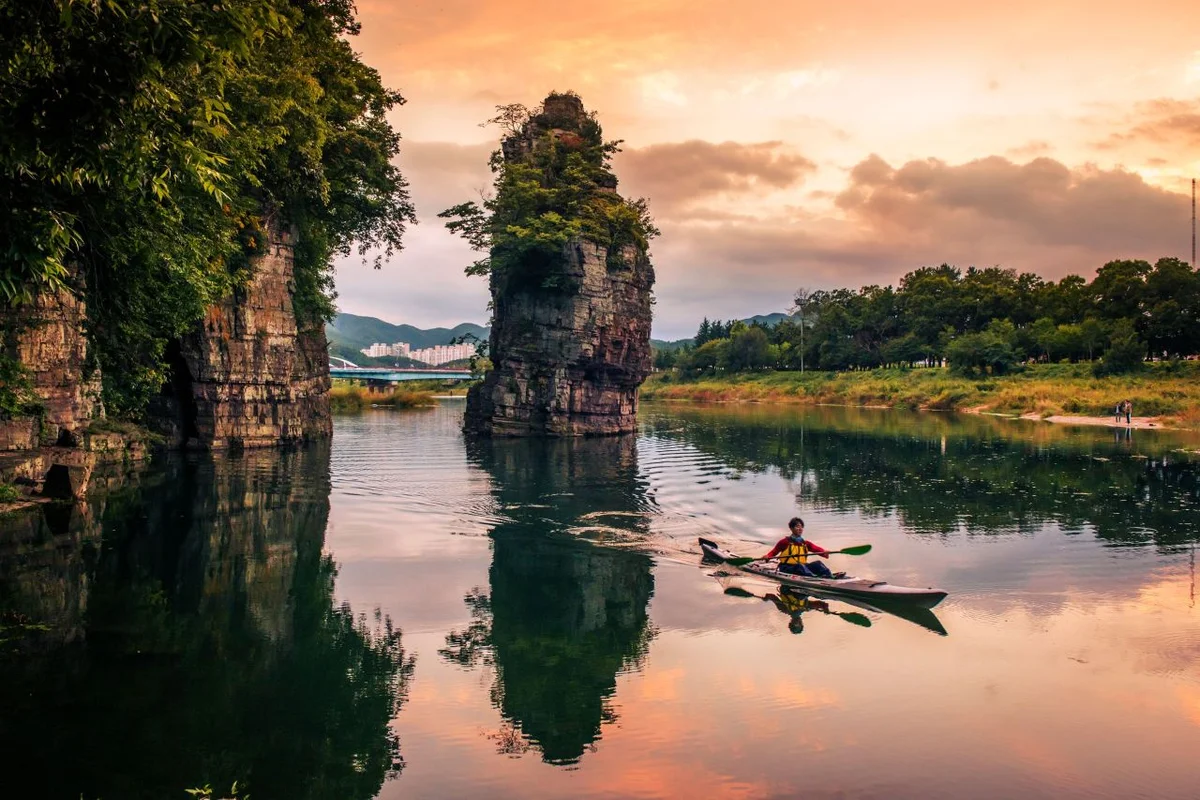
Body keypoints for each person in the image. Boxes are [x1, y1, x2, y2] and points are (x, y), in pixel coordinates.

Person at [763, 517, 841, 579]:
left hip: (802, 567)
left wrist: (824, 552)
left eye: (801, 527)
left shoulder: (805, 543)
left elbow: (817, 549)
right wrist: (767, 556)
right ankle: (814, 579)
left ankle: (830, 576)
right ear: (791, 528)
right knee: (800, 566)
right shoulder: (784, 542)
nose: (800, 529)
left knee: (818, 564)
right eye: (797, 526)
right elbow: (773, 552)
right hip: (786, 568)